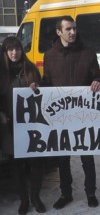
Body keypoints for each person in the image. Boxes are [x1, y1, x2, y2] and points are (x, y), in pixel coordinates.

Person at [30, 15, 100, 209]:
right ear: (59, 32)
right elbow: (47, 82)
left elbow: (98, 77)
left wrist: (98, 82)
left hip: (83, 113)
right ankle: (66, 193)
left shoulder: (88, 53)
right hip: (61, 116)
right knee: (63, 158)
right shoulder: (50, 55)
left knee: (87, 156)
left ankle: (90, 192)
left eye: (74, 28)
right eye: (68, 29)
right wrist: (37, 86)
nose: (73, 32)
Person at [0, 36, 46, 214]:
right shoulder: (2, 72)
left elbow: (44, 94)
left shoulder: (31, 69)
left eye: (17, 49)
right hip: (9, 128)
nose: (14, 53)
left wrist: (38, 86)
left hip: (31, 126)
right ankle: (24, 199)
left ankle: (35, 197)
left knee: (36, 163)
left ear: (22, 50)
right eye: (10, 49)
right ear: (5, 52)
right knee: (17, 165)